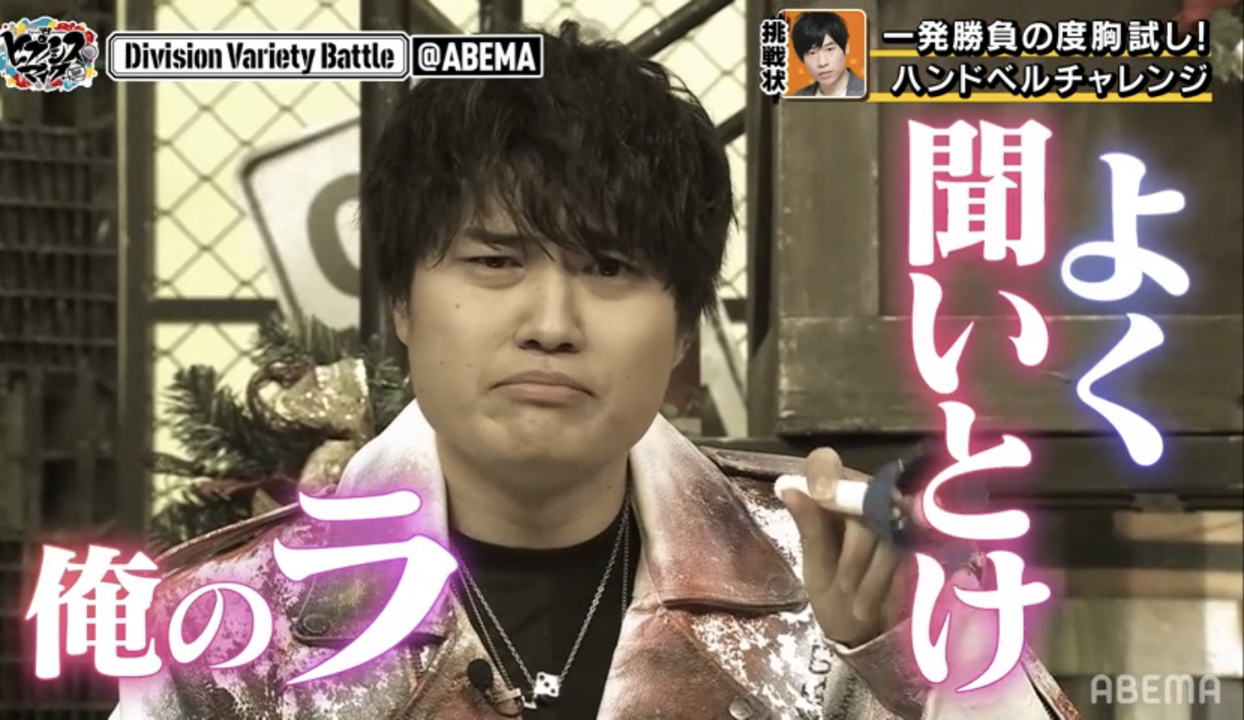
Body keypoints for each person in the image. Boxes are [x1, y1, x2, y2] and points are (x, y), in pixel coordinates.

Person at [113, 21, 1078, 719]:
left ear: (684, 326)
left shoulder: (850, 573)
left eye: (610, 269)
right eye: (495, 262)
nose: (552, 325)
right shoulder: (232, 624)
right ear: (401, 303)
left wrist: (906, 667)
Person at [789, 12, 867, 98]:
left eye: (829, 49)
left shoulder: (870, 93)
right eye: (812, 53)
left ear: (846, 47)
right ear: (801, 57)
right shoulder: (795, 99)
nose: (822, 63)